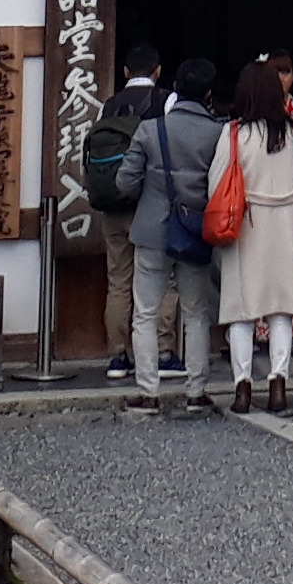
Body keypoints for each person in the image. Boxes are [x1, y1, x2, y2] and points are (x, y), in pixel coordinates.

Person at [111, 57, 226, 413]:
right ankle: (196, 392)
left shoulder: (149, 129)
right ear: (208, 94)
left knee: (144, 312)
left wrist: (150, 193)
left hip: (151, 230)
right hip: (195, 231)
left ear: (175, 90)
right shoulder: (219, 133)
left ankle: (148, 392)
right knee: (195, 312)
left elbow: (124, 182)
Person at [214, 62, 293, 410]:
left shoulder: (236, 134)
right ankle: (278, 382)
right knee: (281, 309)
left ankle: (242, 385)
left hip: (246, 224)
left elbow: (217, 183)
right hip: (285, 222)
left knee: (242, 310)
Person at [101, 45, 170, 383]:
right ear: (157, 71)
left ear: (126, 72)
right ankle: (164, 352)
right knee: (162, 279)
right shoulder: (165, 102)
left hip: (113, 205)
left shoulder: (109, 105)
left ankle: (118, 356)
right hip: (151, 204)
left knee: (118, 282)